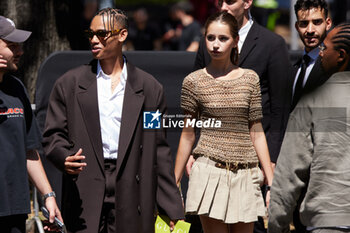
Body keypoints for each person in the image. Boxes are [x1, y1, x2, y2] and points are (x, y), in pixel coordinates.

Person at [42, 8, 184, 233]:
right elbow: (53, 135)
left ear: (123, 35)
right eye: (90, 34)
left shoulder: (150, 89)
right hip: (84, 185)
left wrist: (171, 206)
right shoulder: (68, 83)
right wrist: (64, 156)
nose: (94, 40)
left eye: (102, 34)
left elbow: (158, 148)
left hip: (132, 186)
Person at [190, 1, 291, 232]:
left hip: (252, 163)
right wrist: (193, 150)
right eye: (219, 0)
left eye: (230, 0)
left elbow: (279, 111)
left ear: (247, 3)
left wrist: (271, 163)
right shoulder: (208, 40)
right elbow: (196, 106)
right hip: (211, 162)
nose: (223, 5)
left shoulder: (272, 44)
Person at [174, 11, 274, 233]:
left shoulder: (250, 79)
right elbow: (187, 134)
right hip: (208, 171)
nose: (215, 45)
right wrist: (175, 182)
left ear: (236, 41)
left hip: (246, 172)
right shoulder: (193, 81)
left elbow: (256, 129)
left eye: (223, 38)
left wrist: (270, 177)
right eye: (210, 38)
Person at [268, 22, 350, 233]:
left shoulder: (313, 100)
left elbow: (288, 174)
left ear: (341, 55)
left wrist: (277, 225)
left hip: (328, 221)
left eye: (324, 48)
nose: (320, 54)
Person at [0, 16, 62, 233]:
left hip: (14, 209)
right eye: (12, 46)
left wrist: (49, 196)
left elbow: (29, 151)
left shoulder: (17, 87)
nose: (20, 52)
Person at [288, 0, 332, 112]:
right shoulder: (292, 67)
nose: (310, 30)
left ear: (328, 24)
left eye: (317, 22)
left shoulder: (335, 67)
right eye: (304, 23)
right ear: (297, 27)